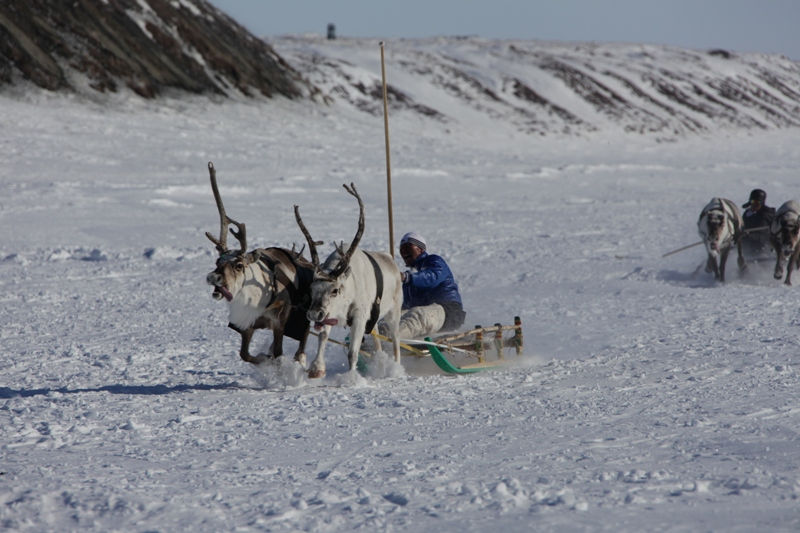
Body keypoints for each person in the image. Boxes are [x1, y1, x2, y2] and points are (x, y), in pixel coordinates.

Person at [393, 231, 466, 340]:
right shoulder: (409, 283)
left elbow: (432, 277)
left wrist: (407, 277)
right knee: (393, 318)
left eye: (408, 248)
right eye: (401, 250)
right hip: (427, 313)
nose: (404, 253)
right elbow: (405, 306)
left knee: (417, 317)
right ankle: (373, 343)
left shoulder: (433, 261)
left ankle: (389, 342)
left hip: (448, 310)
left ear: (420, 249)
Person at [740, 188, 775, 259]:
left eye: (757, 203)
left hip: (764, 245)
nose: (754, 205)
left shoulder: (768, 214)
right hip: (748, 245)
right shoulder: (747, 214)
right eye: (752, 202)